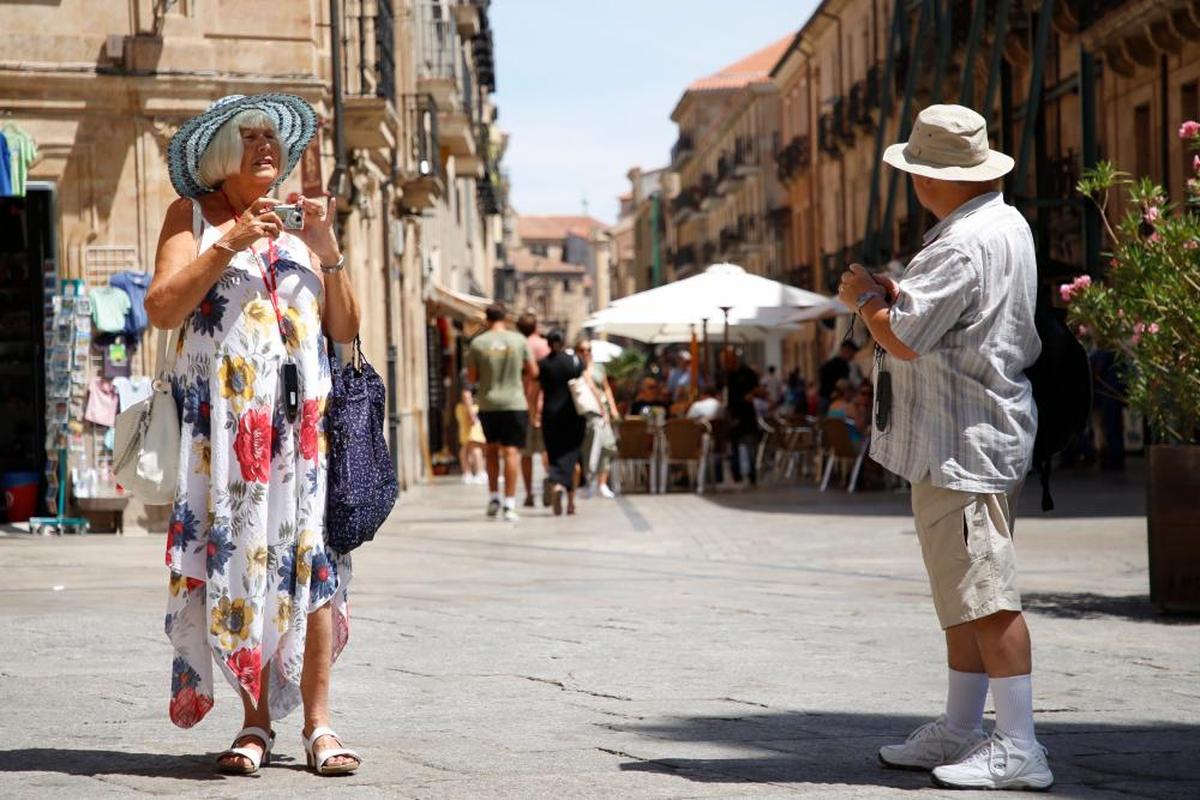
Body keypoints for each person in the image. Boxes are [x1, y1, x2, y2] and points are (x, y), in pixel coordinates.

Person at [146, 94, 361, 775]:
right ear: (217, 155)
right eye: (252, 139)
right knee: (238, 560)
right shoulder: (195, 217)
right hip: (225, 432)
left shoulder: (299, 227)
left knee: (310, 568)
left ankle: (320, 726)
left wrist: (327, 252)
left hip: (302, 435)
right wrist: (232, 243)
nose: (268, 148)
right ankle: (255, 723)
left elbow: (347, 330)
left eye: (273, 139)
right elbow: (162, 307)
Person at [837, 104, 1050, 790]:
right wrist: (897, 295)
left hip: (963, 440)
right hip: (964, 433)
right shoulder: (1002, 222)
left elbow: (901, 335)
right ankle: (961, 729)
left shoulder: (960, 242)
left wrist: (864, 298)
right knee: (963, 592)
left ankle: (1019, 746)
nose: (913, 184)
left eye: (916, 172)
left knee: (988, 594)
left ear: (931, 178)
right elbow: (949, 314)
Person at [466, 303, 539, 522]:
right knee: (511, 453)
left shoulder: (478, 343)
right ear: (506, 318)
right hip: (515, 403)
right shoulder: (519, 340)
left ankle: (493, 496)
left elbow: (471, 378)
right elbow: (534, 371)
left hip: (489, 404)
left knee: (490, 450)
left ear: (487, 319)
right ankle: (509, 503)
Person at [534, 331, 586, 515]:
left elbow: (536, 392)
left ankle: (556, 483)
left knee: (555, 454)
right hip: (574, 415)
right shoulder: (575, 361)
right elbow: (586, 383)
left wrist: (534, 414)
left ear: (548, 343)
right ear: (563, 342)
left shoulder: (543, 364)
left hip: (550, 416)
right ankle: (570, 502)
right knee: (572, 456)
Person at [516, 312, 551, 507]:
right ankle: (551, 485)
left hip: (524, 405)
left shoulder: (521, 346)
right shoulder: (545, 346)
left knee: (526, 453)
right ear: (536, 326)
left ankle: (529, 494)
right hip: (546, 405)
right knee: (547, 450)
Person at [577, 340, 619, 499]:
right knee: (589, 449)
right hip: (587, 414)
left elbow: (606, 387)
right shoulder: (577, 368)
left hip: (603, 414)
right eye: (582, 349)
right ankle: (590, 482)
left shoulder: (599, 367)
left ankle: (602, 483)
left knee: (607, 446)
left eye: (588, 349)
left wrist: (612, 408)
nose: (586, 352)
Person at [722, 348, 762, 485]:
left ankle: (752, 473)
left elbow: (757, 388)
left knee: (751, 446)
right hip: (733, 414)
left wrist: (752, 394)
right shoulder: (725, 375)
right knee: (734, 447)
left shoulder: (747, 373)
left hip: (747, 414)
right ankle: (736, 473)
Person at [455, 385, 486, 485]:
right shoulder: (459, 408)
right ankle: (467, 473)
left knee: (476, 452)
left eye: (467, 398)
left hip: (475, 435)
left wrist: (469, 407)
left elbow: (472, 420)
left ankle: (480, 472)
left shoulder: (476, 408)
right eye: (464, 398)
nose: (465, 400)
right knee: (464, 453)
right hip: (465, 436)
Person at [818, 342, 857, 410]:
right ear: (845, 350)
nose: (853, 355)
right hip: (831, 398)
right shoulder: (842, 365)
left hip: (825, 397)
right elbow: (842, 383)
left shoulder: (833, 363)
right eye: (852, 352)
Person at [826, 378, 865, 445]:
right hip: (853, 443)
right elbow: (860, 426)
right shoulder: (849, 406)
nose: (853, 393)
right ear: (846, 391)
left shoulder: (832, 406)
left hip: (837, 444)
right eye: (851, 390)